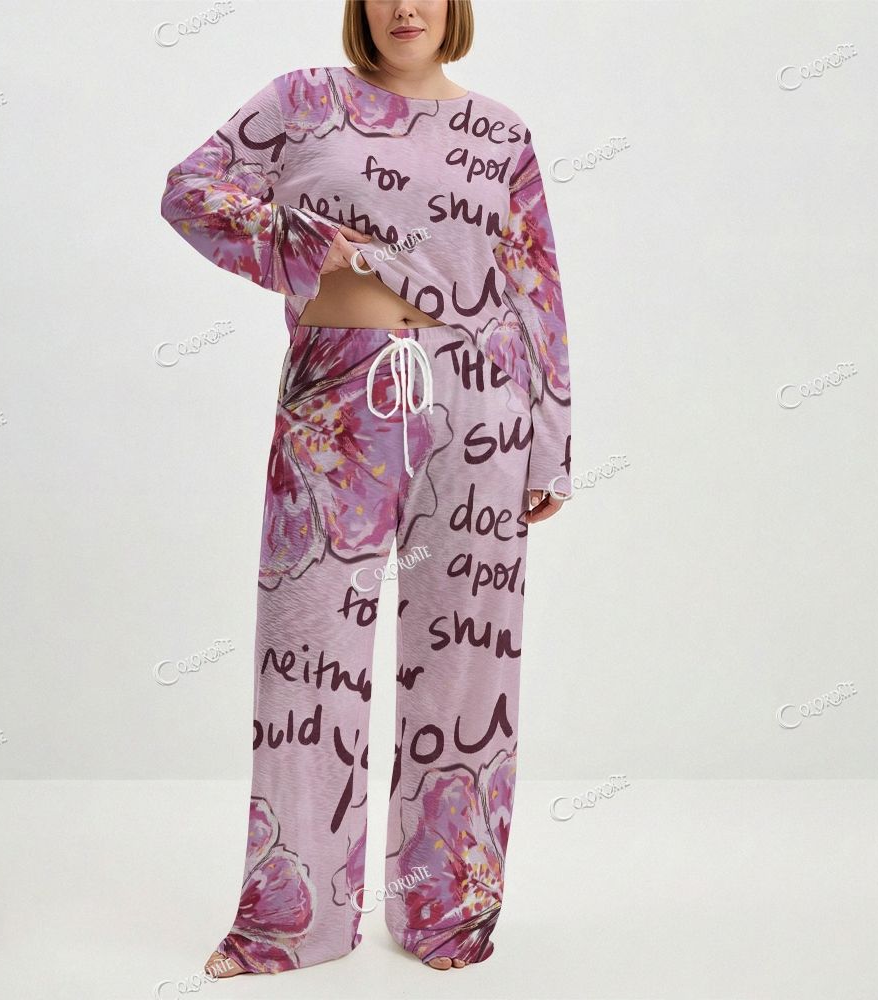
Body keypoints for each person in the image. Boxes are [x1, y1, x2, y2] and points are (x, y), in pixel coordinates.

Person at [159, 0, 572, 977]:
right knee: (306, 657)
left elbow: (534, 286)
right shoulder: (303, 100)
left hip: (479, 400)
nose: (405, 7)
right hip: (337, 398)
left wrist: (550, 442)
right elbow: (189, 191)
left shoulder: (500, 132)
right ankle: (291, 921)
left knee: (465, 664)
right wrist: (306, 239)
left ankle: (445, 909)